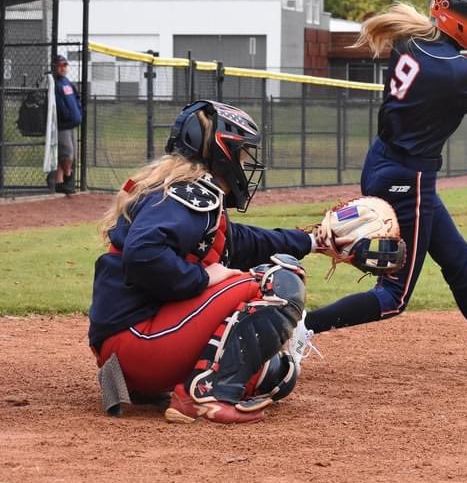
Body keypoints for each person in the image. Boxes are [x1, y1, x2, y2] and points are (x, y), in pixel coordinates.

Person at [303, 0, 467, 380]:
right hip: (409, 178)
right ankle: (297, 329)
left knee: (459, 261)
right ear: (460, 23)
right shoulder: (458, 72)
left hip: (385, 162)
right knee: (393, 296)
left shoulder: (412, 41)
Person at [89, 100, 319, 424]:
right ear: (221, 151)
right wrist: (203, 277)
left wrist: (313, 241)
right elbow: (143, 254)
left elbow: (239, 242)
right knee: (279, 281)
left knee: (275, 375)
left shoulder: (179, 192)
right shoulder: (189, 195)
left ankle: (192, 385)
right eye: (241, 153)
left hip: (131, 350)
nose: (244, 163)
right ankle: (207, 393)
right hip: (138, 342)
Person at [51, 54, 83, 195]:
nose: (63, 68)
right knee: (67, 153)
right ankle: (68, 177)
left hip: (72, 124)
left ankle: (60, 182)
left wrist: (79, 112)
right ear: (55, 67)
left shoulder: (67, 82)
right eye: (60, 65)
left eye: (65, 65)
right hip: (63, 125)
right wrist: (67, 115)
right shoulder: (54, 83)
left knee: (71, 154)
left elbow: (76, 97)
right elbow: (58, 104)